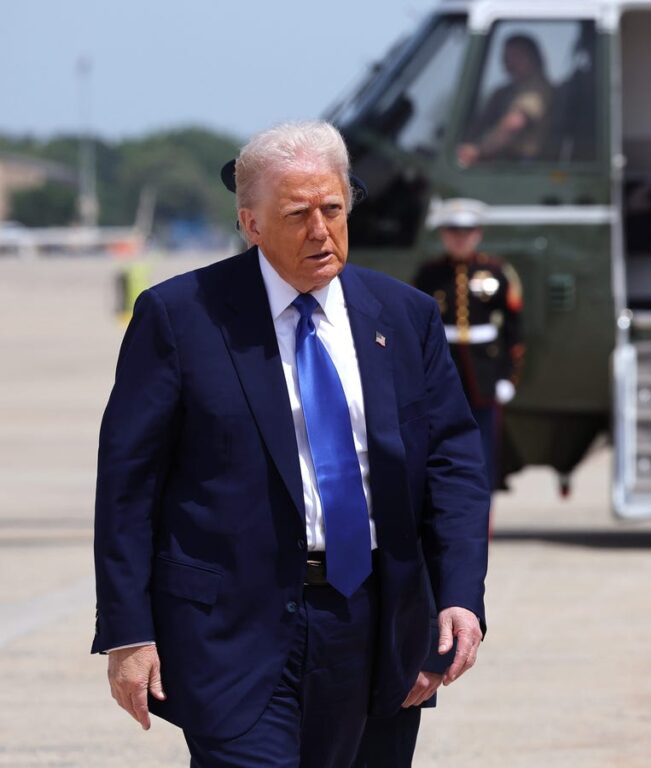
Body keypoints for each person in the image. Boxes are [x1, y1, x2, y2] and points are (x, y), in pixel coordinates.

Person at [92, 121, 490, 767]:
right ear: (251, 224)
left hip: (378, 628)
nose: (320, 231)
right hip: (232, 631)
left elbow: (453, 467)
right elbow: (127, 486)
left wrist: (459, 595)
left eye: (333, 209)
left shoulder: (405, 315)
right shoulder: (180, 317)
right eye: (298, 214)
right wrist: (128, 633)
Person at [413, 198, 524, 495]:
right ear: (443, 235)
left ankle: (482, 509)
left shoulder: (496, 272)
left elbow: (513, 330)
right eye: (453, 232)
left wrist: (508, 377)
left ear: (478, 234)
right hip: (443, 368)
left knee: (483, 447)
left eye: (467, 232)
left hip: (483, 374)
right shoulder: (429, 274)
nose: (460, 239)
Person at [456, 34, 552, 167]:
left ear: (533, 58)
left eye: (517, 57)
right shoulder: (503, 93)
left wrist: (477, 150)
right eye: (506, 57)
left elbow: (513, 124)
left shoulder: (537, 88)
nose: (509, 63)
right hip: (503, 162)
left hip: (523, 165)